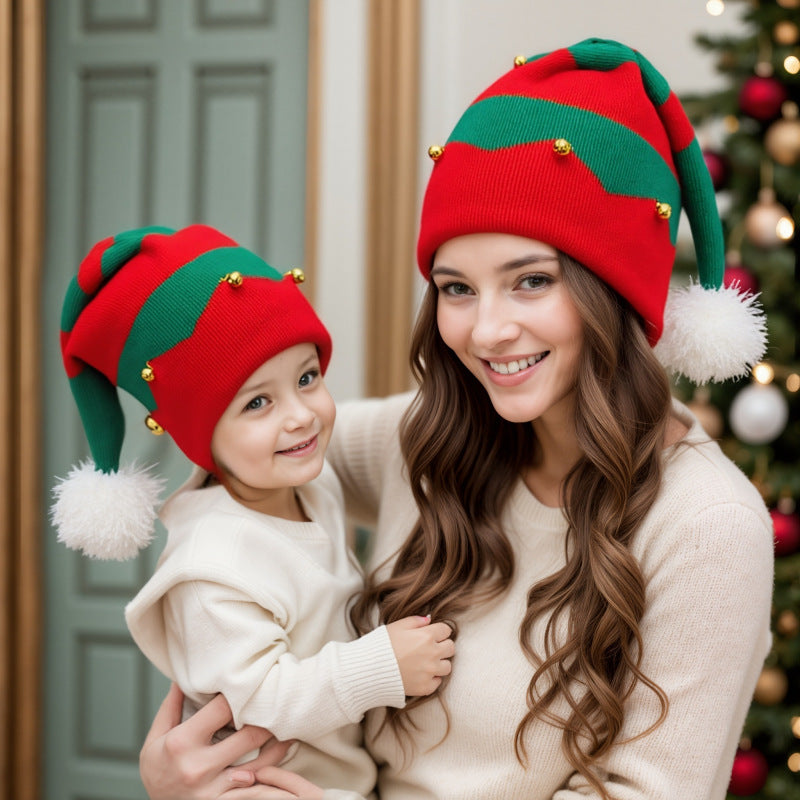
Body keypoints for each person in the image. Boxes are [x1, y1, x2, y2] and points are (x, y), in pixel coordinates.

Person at [138, 38, 774, 800]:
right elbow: (243, 469)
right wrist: (189, 771)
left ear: (616, 292)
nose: (485, 331)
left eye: (531, 281)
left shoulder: (707, 524)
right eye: (456, 287)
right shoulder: (430, 438)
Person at [50, 224, 455, 800]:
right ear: (200, 435)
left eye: (308, 378)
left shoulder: (311, 487)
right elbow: (259, 696)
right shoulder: (214, 559)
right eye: (258, 402)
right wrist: (380, 666)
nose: (300, 416)